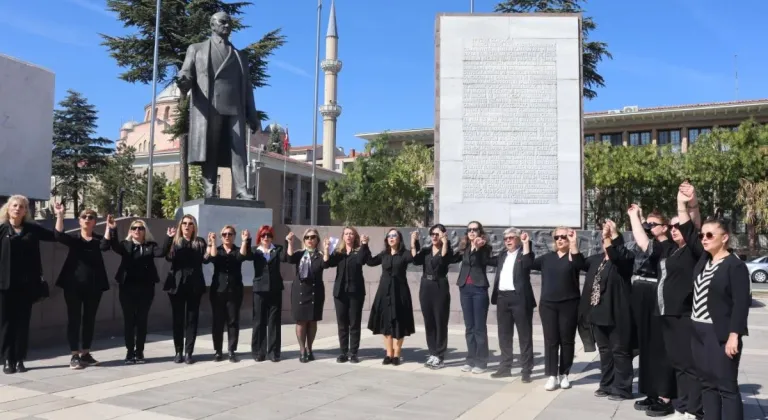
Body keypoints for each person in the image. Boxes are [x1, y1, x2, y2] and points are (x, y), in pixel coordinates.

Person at [690, 219, 750, 420]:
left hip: (719, 333)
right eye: (702, 235)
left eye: (709, 235)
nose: (704, 239)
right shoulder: (704, 261)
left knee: (726, 385)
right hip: (698, 331)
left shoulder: (735, 265)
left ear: (724, 238)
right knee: (707, 384)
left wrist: (734, 336)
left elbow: (741, 304)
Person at [626, 205, 678, 415]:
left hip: (663, 303)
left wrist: (633, 218)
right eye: (646, 224)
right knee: (646, 348)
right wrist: (638, 218)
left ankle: (665, 396)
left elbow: (642, 241)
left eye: (652, 224)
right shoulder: (659, 245)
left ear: (665, 227)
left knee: (661, 350)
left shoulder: (669, 246)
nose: (648, 227)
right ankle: (651, 392)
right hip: (648, 300)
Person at [577, 220, 634, 401]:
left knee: (620, 351)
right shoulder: (597, 260)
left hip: (617, 314)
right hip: (598, 313)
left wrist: (613, 236)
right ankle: (606, 384)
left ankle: (623, 388)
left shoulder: (625, 259)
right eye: (603, 240)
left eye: (608, 240)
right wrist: (572, 243)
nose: (605, 243)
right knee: (604, 351)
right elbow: (579, 263)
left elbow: (618, 256)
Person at [0, 195, 56, 374]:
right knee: (6, 323)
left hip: (26, 285)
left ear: (26, 211)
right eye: (14, 205)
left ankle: (20, 359)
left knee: (23, 323)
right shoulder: (1, 229)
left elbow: (55, 236)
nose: (17, 209)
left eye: (21, 206)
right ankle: (8, 359)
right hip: (4, 284)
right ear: (8, 208)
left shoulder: (32, 229)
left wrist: (60, 217)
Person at [521, 227, 582, 391]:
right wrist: (526, 244)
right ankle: (552, 375)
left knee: (567, 341)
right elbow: (527, 264)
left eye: (564, 236)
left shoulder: (573, 256)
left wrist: (574, 243)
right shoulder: (547, 258)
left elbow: (580, 264)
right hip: (548, 305)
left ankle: (564, 374)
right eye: (557, 237)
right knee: (551, 341)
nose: (560, 239)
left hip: (569, 304)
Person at [106, 217, 173, 364]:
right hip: (127, 288)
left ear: (145, 231)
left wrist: (169, 238)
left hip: (146, 288)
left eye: (140, 228)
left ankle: (140, 352)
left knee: (142, 320)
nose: (137, 230)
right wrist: (113, 230)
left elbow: (161, 252)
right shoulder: (126, 245)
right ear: (131, 231)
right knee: (129, 321)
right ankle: (130, 352)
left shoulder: (150, 245)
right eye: (134, 228)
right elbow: (115, 246)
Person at [53, 204, 111, 369]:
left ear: (94, 222)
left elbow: (106, 246)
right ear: (79, 221)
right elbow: (58, 235)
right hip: (73, 285)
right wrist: (60, 215)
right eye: (84, 217)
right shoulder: (75, 239)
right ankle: (74, 355)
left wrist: (108, 227)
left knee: (89, 319)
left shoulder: (98, 239)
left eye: (91, 217)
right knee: (74, 319)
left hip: (94, 286)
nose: (87, 219)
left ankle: (85, 353)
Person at [489, 228, 536, 382]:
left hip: (520, 298)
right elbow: (486, 260)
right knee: (504, 334)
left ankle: (526, 370)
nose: (508, 241)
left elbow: (529, 264)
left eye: (511, 238)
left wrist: (526, 243)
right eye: (506, 239)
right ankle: (505, 367)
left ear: (517, 239)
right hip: (502, 297)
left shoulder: (524, 254)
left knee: (524, 335)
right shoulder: (502, 255)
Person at [366, 229, 416, 366]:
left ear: (399, 239)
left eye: (394, 235)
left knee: (399, 322)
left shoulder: (404, 254)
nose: (391, 238)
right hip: (384, 292)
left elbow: (413, 258)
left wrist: (413, 241)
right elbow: (370, 262)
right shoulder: (384, 254)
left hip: (400, 292)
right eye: (389, 236)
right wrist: (365, 245)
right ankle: (389, 353)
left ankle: (397, 353)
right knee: (386, 323)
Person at [323, 226, 370, 363]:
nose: (349, 236)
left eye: (351, 234)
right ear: (343, 237)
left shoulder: (360, 251)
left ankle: (353, 353)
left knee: (354, 323)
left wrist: (364, 244)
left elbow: (362, 260)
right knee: (342, 323)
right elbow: (326, 264)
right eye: (346, 234)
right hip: (340, 292)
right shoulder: (339, 253)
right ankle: (343, 352)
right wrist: (326, 249)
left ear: (355, 237)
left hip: (356, 292)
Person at [450, 221, 491, 374]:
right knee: (469, 327)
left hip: (479, 289)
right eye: (469, 230)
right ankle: (470, 359)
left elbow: (478, 261)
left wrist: (477, 248)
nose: (472, 232)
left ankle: (481, 361)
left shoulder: (485, 247)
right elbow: (456, 258)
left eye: (475, 229)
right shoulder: (465, 248)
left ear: (480, 232)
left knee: (479, 327)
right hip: (465, 288)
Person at [164, 215, 207, 364]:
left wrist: (213, 244)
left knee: (192, 320)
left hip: (194, 285)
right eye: (184, 224)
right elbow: (168, 257)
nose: (187, 226)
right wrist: (169, 239)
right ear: (180, 226)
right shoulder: (175, 242)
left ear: (194, 227)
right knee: (178, 319)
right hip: (177, 285)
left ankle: (189, 352)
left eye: (190, 224)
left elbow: (206, 259)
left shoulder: (200, 242)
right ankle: (178, 352)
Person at [204, 226, 249, 363]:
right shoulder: (217, 250)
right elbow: (211, 258)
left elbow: (242, 256)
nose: (227, 236)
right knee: (218, 322)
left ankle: (231, 350)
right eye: (224, 234)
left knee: (233, 321)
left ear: (234, 236)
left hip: (234, 291)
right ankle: (218, 351)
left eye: (230, 234)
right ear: (221, 236)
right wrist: (211, 242)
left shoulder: (237, 250)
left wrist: (244, 241)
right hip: (218, 291)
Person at [412, 224, 452, 370]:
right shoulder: (427, 250)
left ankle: (440, 355)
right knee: (429, 321)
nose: (434, 237)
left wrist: (445, 242)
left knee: (440, 321)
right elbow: (415, 260)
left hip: (439, 285)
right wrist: (414, 242)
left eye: (437, 234)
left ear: (443, 235)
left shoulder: (447, 250)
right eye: (432, 234)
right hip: (426, 286)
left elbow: (444, 259)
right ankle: (432, 353)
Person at [285, 228, 325, 363]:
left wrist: (327, 249)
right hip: (300, 291)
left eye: (313, 237)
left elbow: (325, 264)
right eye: (307, 237)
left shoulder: (320, 255)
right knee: (301, 321)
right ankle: (302, 350)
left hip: (315, 291)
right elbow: (289, 258)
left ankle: (310, 348)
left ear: (317, 240)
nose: (310, 240)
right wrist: (290, 243)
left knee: (312, 321)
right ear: (304, 240)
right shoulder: (300, 254)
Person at [250, 225, 283, 362]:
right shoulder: (254, 251)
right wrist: (246, 240)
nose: (266, 238)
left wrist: (290, 242)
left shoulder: (278, 249)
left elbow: (286, 257)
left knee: (274, 321)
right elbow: (244, 255)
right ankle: (259, 351)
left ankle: (273, 352)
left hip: (275, 289)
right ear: (259, 237)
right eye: (263, 235)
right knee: (259, 321)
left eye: (268, 235)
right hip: (259, 289)